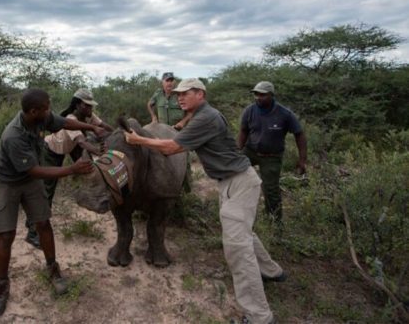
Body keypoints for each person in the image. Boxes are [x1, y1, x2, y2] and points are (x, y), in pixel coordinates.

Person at [126, 78, 284, 324]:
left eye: (185, 93)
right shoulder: (201, 115)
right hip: (232, 182)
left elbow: (170, 148)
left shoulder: (206, 118)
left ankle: (259, 316)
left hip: (239, 182)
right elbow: (181, 133)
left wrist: (139, 141)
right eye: (178, 94)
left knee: (237, 249)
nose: (180, 98)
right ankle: (271, 270)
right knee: (242, 232)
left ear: (200, 94)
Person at [0, 88, 106, 318]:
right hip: (7, 182)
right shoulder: (13, 135)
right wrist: (71, 169)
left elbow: (65, 123)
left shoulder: (42, 116)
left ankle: (53, 269)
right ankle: (2, 287)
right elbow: (35, 170)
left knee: (43, 223)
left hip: (29, 179)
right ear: (33, 112)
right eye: (46, 108)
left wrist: (91, 127)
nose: (49, 111)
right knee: (5, 235)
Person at [25, 88, 113, 248]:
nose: (90, 109)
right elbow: (81, 141)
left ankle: (32, 223)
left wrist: (118, 134)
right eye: (87, 106)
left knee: (88, 171)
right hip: (51, 152)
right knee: (45, 192)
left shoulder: (88, 116)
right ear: (78, 105)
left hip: (67, 148)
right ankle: (33, 232)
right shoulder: (71, 118)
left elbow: (104, 126)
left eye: (91, 106)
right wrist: (100, 152)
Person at [237, 81, 307, 223]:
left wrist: (302, 160)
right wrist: (237, 152)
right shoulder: (250, 111)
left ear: (271, 95)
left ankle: (275, 222)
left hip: (272, 156)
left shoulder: (284, 114)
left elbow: (299, 134)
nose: (258, 97)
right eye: (256, 94)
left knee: (271, 190)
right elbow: (243, 131)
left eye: (262, 95)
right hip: (251, 151)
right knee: (233, 173)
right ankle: (237, 211)